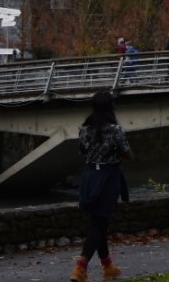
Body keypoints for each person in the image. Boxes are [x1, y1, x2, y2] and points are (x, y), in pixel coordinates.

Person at [69, 90, 131, 282]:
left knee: (98, 222)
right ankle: (80, 267)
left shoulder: (84, 129)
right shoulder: (115, 130)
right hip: (107, 178)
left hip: (89, 177)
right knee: (100, 222)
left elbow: (81, 151)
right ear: (111, 107)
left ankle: (108, 266)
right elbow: (127, 153)